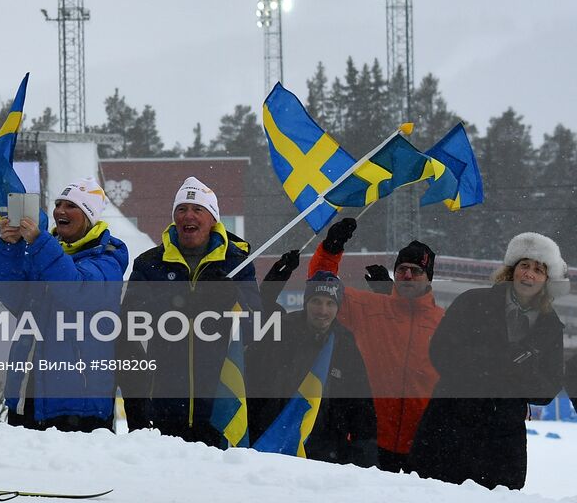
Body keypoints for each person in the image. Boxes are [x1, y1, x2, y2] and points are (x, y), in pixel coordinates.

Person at [409, 233, 566, 491]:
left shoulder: (550, 326)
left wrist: (522, 371)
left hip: (502, 442)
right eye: (524, 265)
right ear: (511, 270)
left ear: (547, 280)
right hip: (449, 426)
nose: (529, 274)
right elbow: (441, 353)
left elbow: (547, 390)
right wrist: (497, 362)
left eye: (539, 270)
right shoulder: (472, 301)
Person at [120, 176, 259, 447]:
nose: (188, 215)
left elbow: (256, 325)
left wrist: (229, 300)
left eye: (197, 209)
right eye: (181, 209)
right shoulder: (149, 264)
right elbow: (131, 323)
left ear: (213, 219)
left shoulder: (238, 264)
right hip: (161, 404)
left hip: (220, 405)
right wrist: (183, 301)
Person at [0, 179, 128, 432]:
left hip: (79, 404)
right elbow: (4, 289)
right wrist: (8, 246)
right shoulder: (42, 249)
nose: (60, 211)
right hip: (27, 393)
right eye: (58, 204)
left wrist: (39, 244)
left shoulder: (108, 258)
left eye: (71, 206)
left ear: (89, 216)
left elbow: (77, 290)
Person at [307, 218, 441, 471]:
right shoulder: (370, 308)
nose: (408, 275)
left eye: (416, 270)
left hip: (424, 444)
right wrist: (331, 249)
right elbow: (322, 287)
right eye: (402, 269)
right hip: (369, 441)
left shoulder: (444, 322)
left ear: (429, 278)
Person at [247, 272, 377, 465]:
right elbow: (252, 383)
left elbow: (361, 408)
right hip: (273, 443)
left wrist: (365, 457)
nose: (322, 310)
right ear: (305, 302)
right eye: (316, 301)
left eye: (330, 303)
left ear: (338, 307)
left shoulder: (345, 345)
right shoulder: (279, 333)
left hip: (325, 452)